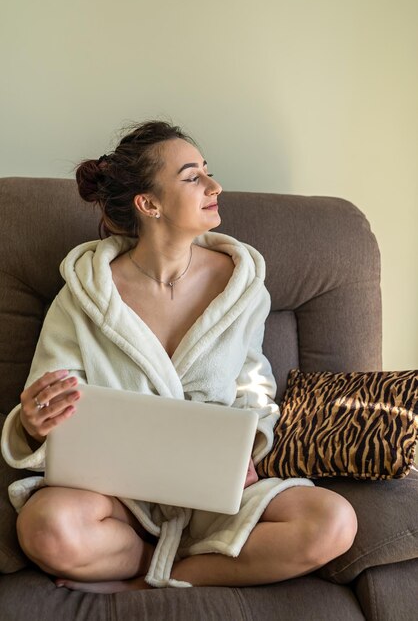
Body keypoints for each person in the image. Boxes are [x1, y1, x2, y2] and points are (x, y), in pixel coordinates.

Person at [1, 120, 357, 592]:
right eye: (193, 177)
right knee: (45, 527)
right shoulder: (87, 295)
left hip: (218, 497)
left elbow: (255, 384)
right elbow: (54, 393)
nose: (215, 186)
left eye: (207, 171)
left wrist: (249, 444)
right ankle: (148, 555)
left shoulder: (241, 285)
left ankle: (156, 577)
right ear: (149, 204)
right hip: (118, 498)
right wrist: (32, 424)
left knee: (334, 521)